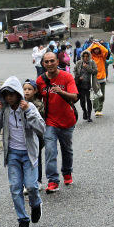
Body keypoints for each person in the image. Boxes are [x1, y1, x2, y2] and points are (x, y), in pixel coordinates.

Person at [0, 77, 46, 227]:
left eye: (12, 94)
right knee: (15, 188)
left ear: (18, 94)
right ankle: (23, 221)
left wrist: (28, 111)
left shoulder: (29, 106)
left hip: (29, 153)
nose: (9, 97)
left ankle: (36, 204)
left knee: (32, 186)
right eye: (6, 94)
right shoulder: (4, 110)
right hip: (12, 154)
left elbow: (42, 129)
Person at [35, 52, 78, 193]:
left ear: (57, 62)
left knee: (67, 150)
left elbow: (75, 97)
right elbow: (34, 99)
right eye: (46, 62)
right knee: (50, 151)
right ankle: (53, 181)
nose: (49, 64)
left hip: (67, 120)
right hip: (50, 122)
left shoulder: (67, 77)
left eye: (52, 61)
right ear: (43, 64)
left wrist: (61, 92)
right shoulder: (40, 80)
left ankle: (67, 172)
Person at [22, 79, 47, 184]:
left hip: (38, 136)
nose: (27, 91)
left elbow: (40, 122)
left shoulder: (38, 104)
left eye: (29, 89)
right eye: (25, 89)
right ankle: (26, 182)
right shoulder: (20, 102)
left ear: (35, 91)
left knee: (36, 158)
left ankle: (38, 180)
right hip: (24, 136)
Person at [73, 50, 100, 123]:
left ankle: (89, 116)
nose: (85, 58)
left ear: (89, 56)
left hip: (89, 85)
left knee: (89, 101)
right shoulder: (79, 63)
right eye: (84, 56)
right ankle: (84, 111)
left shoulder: (92, 62)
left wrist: (87, 67)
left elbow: (95, 71)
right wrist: (78, 77)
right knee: (82, 101)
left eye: (87, 56)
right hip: (81, 85)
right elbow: (75, 70)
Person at [88, 39, 110, 118]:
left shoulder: (102, 57)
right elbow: (86, 52)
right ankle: (97, 109)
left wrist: (99, 44)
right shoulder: (91, 58)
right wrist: (92, 45)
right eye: (95, 49)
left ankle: (100, 109)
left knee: (102, 95)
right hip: (94, 79)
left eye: (97, 49)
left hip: (102, 78)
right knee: (95, 95)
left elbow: (106, 51)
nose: (96, 50)